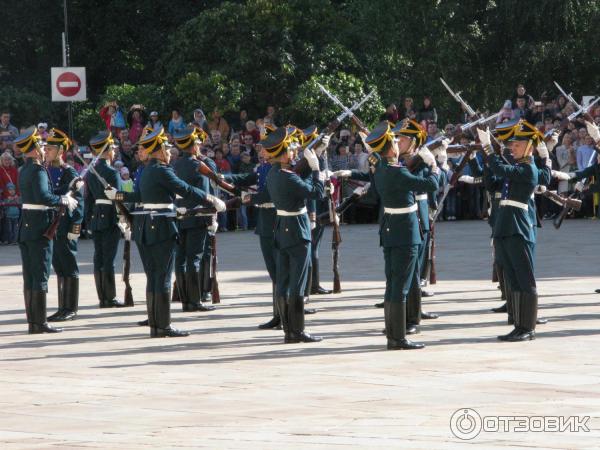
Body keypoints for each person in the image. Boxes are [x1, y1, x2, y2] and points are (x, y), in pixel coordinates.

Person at [106, 128, 226, 337]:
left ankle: (155, 323)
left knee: (153, 277)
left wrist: (118, 195)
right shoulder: (162, 170)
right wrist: (210, 199)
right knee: (162, 277)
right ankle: (163, 326)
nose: (170, 152)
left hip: (145, 227)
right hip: (160, 228)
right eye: (167, 148)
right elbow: (185, 189)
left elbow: (138, 195)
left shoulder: (146, 170)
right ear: (159, 150)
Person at [369, 120, 440, 349]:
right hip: (405, 232)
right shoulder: (396, 172)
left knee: (392, 284)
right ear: (390, 149)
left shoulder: (381, 168)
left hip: (390, 230)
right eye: (395, 141)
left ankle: (392, 332)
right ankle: (398, 338)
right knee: (401, 285)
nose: (398, 143)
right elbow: (429, 185)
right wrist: (435, 166)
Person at [477, 120, 542, 341]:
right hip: (505, 226)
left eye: (517, 145)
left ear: (529, 147)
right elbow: (495, 177)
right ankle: (518, 324)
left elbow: (501, 168)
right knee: (513, 278)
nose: (512, 148)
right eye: (512, 145)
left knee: (525, 279)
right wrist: (488, 160)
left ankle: (528, 327)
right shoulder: (517, 168)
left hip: (518, 228)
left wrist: (488, 149)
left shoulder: (528, 169)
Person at [264, 126, 325, 343]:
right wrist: (317, 169)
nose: (294, 152)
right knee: (298, 282)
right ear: (283, 153)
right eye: (290, 149)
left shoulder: (274, 173)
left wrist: (312, 159)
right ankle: (297, 331)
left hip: (282, 228)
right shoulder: (288, 177)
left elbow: (297, 181)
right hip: (297, 229)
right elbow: (316, 193)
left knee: (283, 280)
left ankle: (288, 330)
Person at [13, 129, 78, 333]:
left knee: (30, 276)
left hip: (27, 226)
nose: (44, 148)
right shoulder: (38, 170)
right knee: (40, 275)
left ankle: (33, 321)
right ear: (34, 148)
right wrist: (62, 199)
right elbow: (43, 196)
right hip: (40, 226)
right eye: (41, 145)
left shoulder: (24, 169)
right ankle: (39, 323)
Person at [171, 127, 217, 313]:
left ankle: (184, 299)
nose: (199, 147)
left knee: (180, 258)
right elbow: (204, 195)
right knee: (194, 259)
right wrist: (211, 215)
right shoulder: (198, 165)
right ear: (193, 146)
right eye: (198, 144)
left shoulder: (174, 165)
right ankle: (194, 300)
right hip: (197, 217)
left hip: (179, 216)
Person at [45, 129, 85, 322]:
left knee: (69, 266)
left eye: (50, 148)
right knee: (59, 266)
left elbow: (79, 203)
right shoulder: (45, 169)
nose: (46, 151)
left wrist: (75, 228)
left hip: (66, 225)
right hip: (51, 226)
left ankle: (71, 308)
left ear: (60, 150)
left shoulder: (68, 171)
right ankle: (62, 307)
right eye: (46, 148)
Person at [85, 131, 127, 308]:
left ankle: (102, 296)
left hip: (96, 215)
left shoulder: (91, 172)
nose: (115, 150)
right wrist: (125, 218)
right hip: (110, 216)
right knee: (108, 258)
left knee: (99, 257)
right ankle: (110, 297)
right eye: (112, 148)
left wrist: (88, 220)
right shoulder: (111, 171)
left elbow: (88, 199)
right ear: (107, 149)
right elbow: (117, 197)